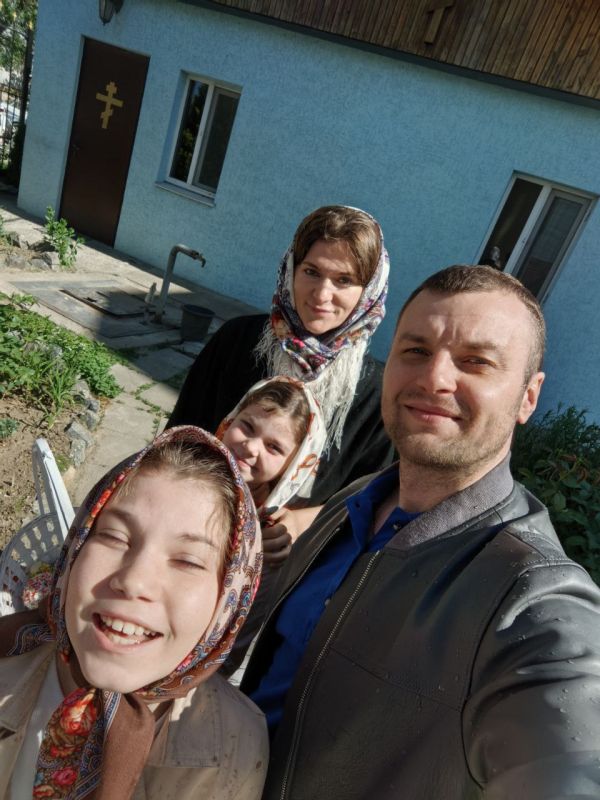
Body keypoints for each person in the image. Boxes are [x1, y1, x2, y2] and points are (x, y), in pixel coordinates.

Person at [241, 265, 600, 800]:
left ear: (528, 397)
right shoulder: (357, 500)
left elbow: (571, 754)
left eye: (476, 361)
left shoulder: (529, 592)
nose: (434, 378)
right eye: (415, 350)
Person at [0, 426, 267, 800]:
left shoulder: (236, 748)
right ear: (76, 548)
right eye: (114, 537)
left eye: (188, 561)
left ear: (227, 603)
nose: (134, 581)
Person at [167, 205, 394, 553]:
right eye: (312, 271)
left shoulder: (377, 393)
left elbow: (373, 498)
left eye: (344, 280)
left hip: (290, 567)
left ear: (369, 291)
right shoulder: (236, 342)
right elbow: (178, 436)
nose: (321, 295)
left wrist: (305, 522)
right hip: (188, 528)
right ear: (291, 268)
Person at [218, 377, 326, 517]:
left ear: (293, 465)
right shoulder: (190, 464)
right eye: (248, 426)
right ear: (232, 419)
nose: (251, 447)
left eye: (273, 447)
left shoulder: (274, 524)